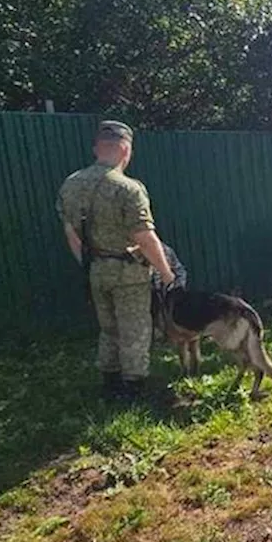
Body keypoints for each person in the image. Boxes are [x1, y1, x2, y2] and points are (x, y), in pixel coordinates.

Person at [57, 120, 176, 402]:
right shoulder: (128, 188)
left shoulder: (71, 184)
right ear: (125, 149)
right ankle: (132, 389)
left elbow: (71, 233)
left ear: (96, 148)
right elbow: (145, 237)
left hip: (96, 270)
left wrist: (88, 264)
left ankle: (109, 382)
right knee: (135, 328)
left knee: (108, 327)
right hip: (128, 273)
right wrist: (166, 272)